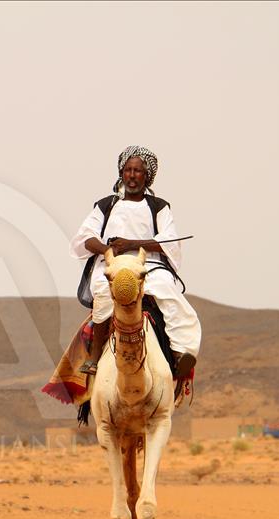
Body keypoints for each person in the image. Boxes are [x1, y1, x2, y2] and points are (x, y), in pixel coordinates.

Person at [69, 145, 200, 399]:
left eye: (137, 171)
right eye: (127, 170)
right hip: (112, 264)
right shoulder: (105, 205)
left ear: (146, 176)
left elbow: (170, 242)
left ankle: (179, 352)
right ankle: (95, 357)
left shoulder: (159, 207)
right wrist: (107, 249)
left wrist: (132, 244)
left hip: (149, 266)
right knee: (104, 291)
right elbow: (85, 238)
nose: (131, 175)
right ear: (121, 172)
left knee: (165, 289)